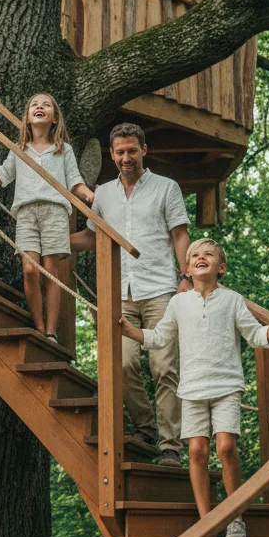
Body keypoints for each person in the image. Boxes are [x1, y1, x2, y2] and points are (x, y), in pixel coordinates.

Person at [120, 238, 269, 537]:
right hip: (191, 388)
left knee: (225, 447)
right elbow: (157, 338)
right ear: (187, 269)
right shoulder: (178, 303)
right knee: (196, 450)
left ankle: (235, 519)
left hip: (226, 385)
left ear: (221, 267)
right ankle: (207, 522)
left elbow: (256, 335)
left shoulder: (232, 300)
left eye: (208, 254)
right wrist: (130, 331)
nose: (200, 257)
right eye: (194, 255)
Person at [70, 122, 191, 467]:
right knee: (122, 364)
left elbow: (180, 235)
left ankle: (170, 447)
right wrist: (53, 244)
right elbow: (93, 238)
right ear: (112, 153)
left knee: (163, 367)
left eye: (132, 151)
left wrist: (186, 278)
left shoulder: (166, 188)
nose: (126, 157)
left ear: (144, 150)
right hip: (117, 291)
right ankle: (145, 427)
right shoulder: (103, 193)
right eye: (120, 152)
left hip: (161, 291)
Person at [0, 93, 93, 341]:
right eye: (34, 104)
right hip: (26, 213)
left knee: (51, 270)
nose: (40, 107)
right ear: (27, 117)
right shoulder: (19, 149)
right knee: (30, 269)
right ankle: (38, 325)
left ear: (54, 118)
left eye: (46, 105)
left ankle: (50, 332)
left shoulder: (63, 150)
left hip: (54, 211)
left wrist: (89, 195)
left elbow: (75, 182)